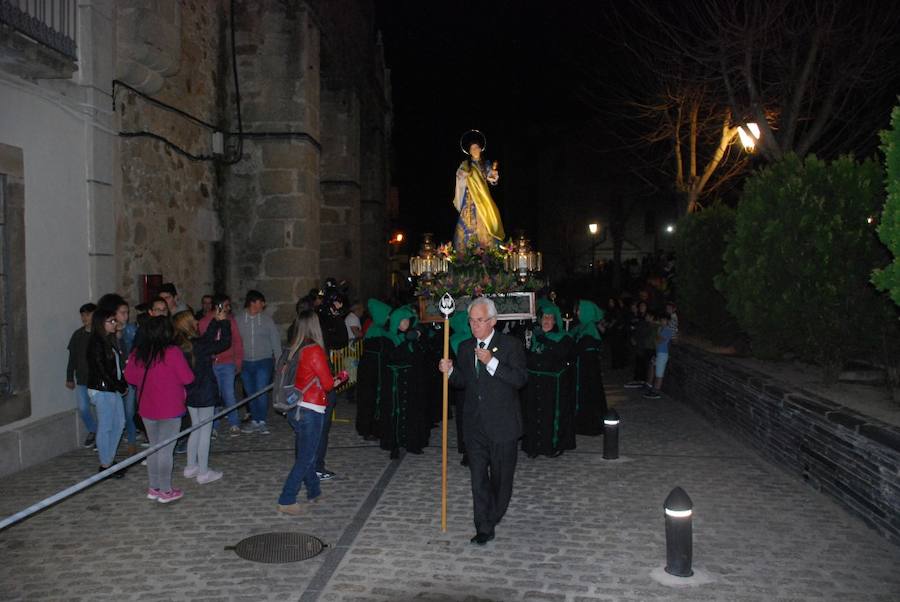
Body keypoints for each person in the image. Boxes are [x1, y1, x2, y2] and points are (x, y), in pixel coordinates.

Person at [438, 297, 528, 545]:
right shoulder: (466, 347)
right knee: (478, 479)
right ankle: (484, 527)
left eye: (479, 320)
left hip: (503, 425)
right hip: (474, 425)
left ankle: (493, 514)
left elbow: (520, 379)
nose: (474, 325)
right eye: (471, 321)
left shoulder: (510, 345)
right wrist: (451, 372)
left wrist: (492, 362)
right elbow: (464, 383)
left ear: (493, 322)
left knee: (501, 481)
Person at [277, 310, 346, 516]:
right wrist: (340, 378)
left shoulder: (292, 349)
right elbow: (326, 384)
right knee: (306, 457)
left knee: (305, 452)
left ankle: (314, 490)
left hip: (294, 407)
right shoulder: (314, 350)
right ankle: (286, 498)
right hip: (310, 408)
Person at [125, 316, 194, 503]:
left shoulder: (138, 353)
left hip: (147, 407)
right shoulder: (172, 352)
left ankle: (153, 487)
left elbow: (130, 377)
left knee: (154, 448)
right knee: (166, 450)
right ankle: (165, 490)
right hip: (170, 408)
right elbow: (187, 378)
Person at [172, 308, 231, 483]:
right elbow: (224, 343)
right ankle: (204, 472)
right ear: (188, 324)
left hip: (189, 391)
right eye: (193, 320)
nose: (197, 322)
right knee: (205, 430)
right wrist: (225, 323)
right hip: (204, 391)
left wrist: (216, 321)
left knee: (195, 428)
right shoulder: (197, 345)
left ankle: (191, 466)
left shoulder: (181, 344)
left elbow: (205, 339)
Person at [522, 301, 575, 458]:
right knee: (532, 415)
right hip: (533, 384)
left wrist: (545, 340)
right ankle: (533, 447)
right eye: (544, 317)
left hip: (552, 387)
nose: (547, 320)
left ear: (555, 320)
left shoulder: (563, 337)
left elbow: (564, 354)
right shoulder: (533, 336)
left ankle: (551, 446)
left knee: (549, 417)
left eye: (550, 318)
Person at [380, 305, 431, 458]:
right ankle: (394, 444)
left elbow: (422, 354)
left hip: (413, 381)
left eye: (407, 321)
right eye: (402, 321)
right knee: (395, 413)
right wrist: (404, 343)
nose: (406, 324)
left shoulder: (414, 336)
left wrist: (418, 336)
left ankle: (413, 442)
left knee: (413, 411)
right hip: (396, 382)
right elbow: (391, 357)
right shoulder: (389, 338)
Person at [86, 308, 128, 477]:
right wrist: (117, 385)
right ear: (100, 323)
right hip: (103, 389)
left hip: (112, 388)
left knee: (120, 422)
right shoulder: (96, 342)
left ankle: (109, 459)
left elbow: (115, 367)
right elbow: (101, 369)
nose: (114, 324)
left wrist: (121, 383)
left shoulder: (108, 340)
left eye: (114, 321)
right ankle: (105, 464)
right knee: (106, 426)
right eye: (111, 321)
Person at [97, 293, 140, 455]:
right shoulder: (106, 334)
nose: (126, 316)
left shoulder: (131, 330)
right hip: (113, 379)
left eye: (127, 312)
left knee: (129, 411)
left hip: (127, 377)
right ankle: (108, 452)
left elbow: (135, 350)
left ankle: (131, 440)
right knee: (114, 416)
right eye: (122, 312)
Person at [237, 290, 282, 435]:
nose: (263, 305)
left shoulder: (267, 320)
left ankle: (261, 420)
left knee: (261, 390)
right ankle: (255, 420)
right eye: (261, 302)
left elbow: (275, 341)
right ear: (253, 302)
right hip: (245, 362)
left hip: (264, 361)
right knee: (250, 392)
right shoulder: (238, 320)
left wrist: (279, 362)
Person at [198, 293, 244, 436]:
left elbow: (237, 341)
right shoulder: (205, 321)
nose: (229, 308)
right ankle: (214, 425)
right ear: (218, 307)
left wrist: (238, 361)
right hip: (211, 364)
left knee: (228, 394)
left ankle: (234, 422)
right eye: (226, 305)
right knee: (214, 395)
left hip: (227, 363)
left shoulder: (231, 321)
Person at [452, 132, 505, 251]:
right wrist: (463, 175)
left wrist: (493, 175)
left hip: (483, 199)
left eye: (476, 147)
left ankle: (487, 254)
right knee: (469, 224)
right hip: (469, 199)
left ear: (480, 149)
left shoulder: (485, 164)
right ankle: (467, 255)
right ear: (469, 152)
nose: (474, 150)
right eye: (472, 148)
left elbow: (491, 177)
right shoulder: (465, 165)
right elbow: (459, 176)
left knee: (486, 223)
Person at [355, 298, 392, 440]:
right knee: (370, 400)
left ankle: (368, 428)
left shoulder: (375, 329)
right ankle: (369, 429)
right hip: (373, 372)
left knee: (368, 399)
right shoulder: (377, 330)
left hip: (370, 369)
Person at [571, 299, 607, 435]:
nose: (577, 312)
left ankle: (590, 425)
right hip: (584, 370)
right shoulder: (583, 326)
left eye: (580, 310)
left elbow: (584, 351)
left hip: (588, 372)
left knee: (589, 397)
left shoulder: (590, 330)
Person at [66, 302, 97, 448]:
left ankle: (103, 435)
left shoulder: (100, 334)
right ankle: (93, 430)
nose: (84, 318)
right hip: (82, 380)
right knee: (83, 408)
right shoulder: (77, 335)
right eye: (82, 315)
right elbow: (72, 358)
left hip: (98, 380)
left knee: (100, 409)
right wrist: (69, 377)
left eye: (88, 314)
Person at [449, 310, 472, 466]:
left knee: (464, 420)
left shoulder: (452, 340)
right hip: (473, 384)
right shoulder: (471, 338)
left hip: (461, 384)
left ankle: (466, 452)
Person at [644, 313, 676, 400]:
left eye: (664, 320)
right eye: (661, 320)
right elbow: (656, 342)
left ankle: (656, 392)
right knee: (653, 367)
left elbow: (658, 341)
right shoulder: (662, 329)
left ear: (668, 321)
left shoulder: (667, 330)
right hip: (659, 352)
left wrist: (657, 334)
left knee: (659, 373)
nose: (662, 322)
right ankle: (652, 388)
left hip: (662, 353)